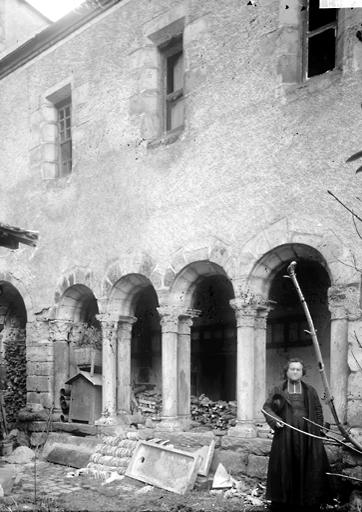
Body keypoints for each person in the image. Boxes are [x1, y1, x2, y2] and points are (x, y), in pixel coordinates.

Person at [263, 358, 331, 512]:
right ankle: (283, 503)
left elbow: (318, 411)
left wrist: (318, 429)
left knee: (308, 466)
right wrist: (276, 421)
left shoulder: (310, 390)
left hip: (307, 435)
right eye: (292, 369)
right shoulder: (278, 390)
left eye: (298, 369)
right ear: (286, 372)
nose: (295, 372)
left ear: (302, 373)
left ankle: (308, 502)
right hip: (285, 436)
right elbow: (267, 408)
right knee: (285, 466)